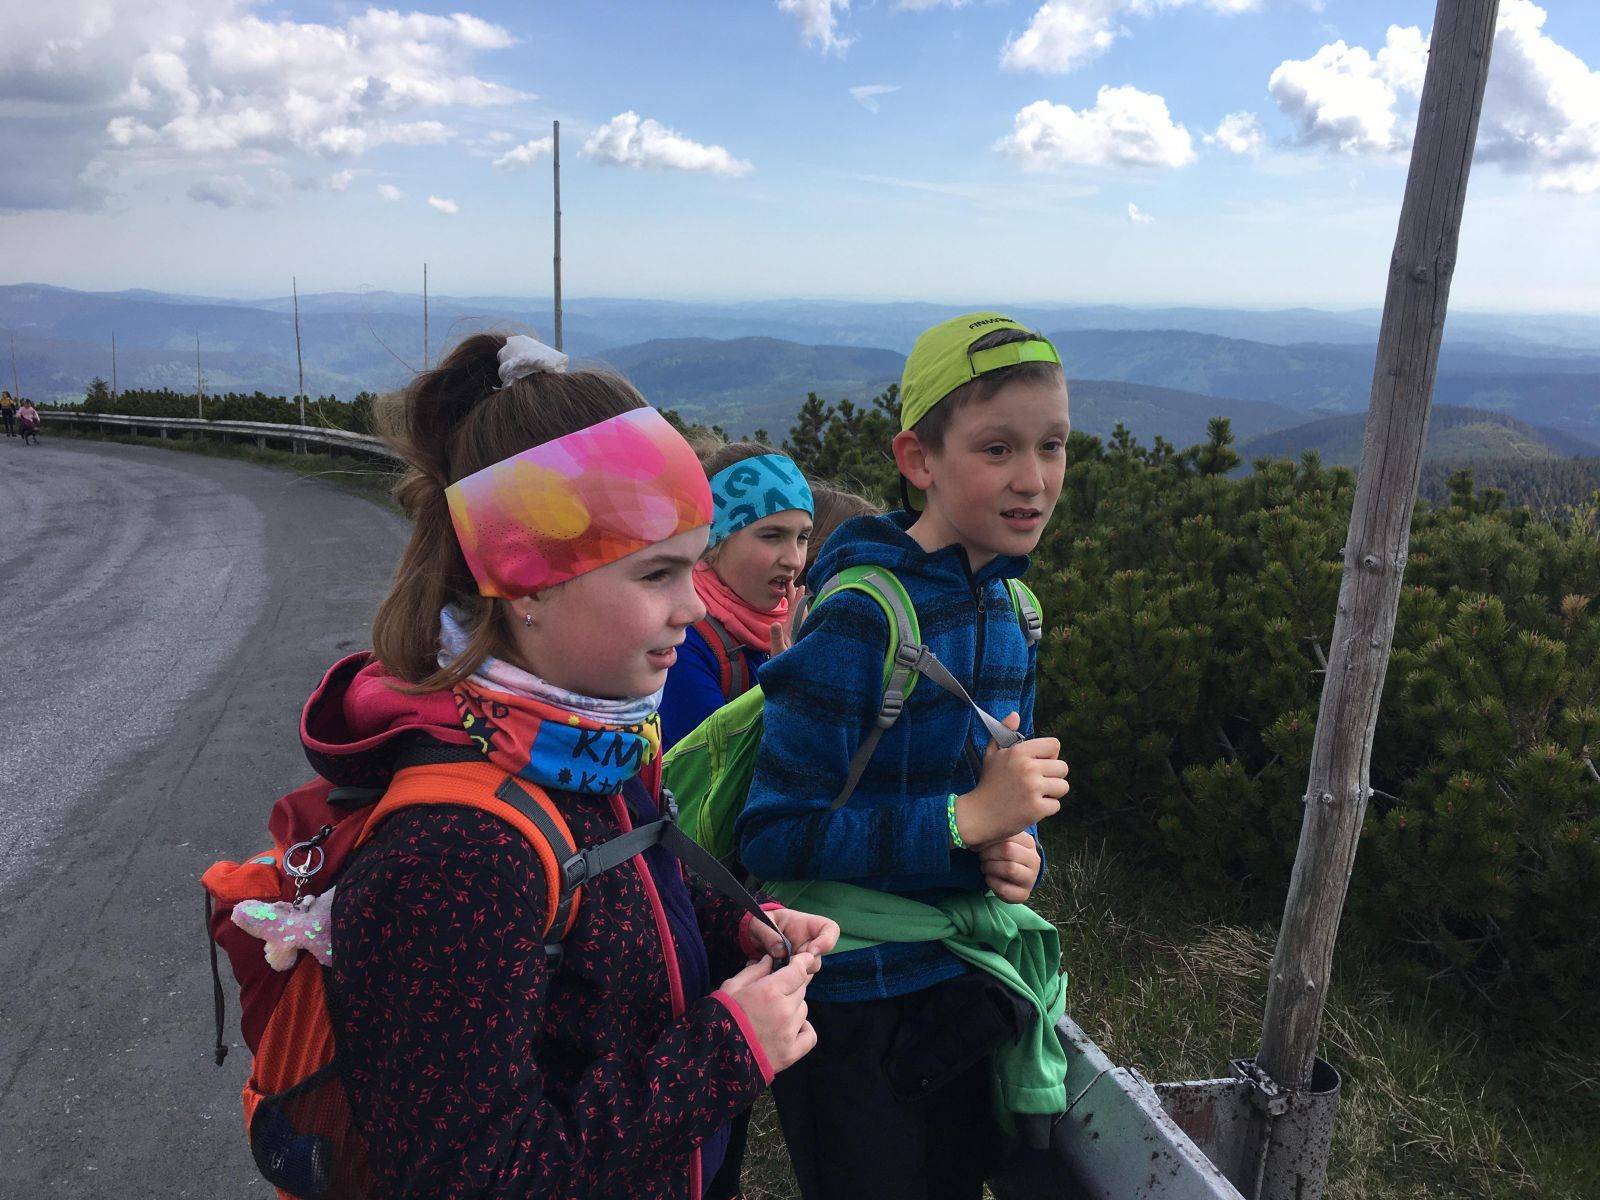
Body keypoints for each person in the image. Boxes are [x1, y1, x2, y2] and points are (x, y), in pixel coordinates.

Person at [317, 332, 836, 1199]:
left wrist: (736, 926)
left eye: (693, 565)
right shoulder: (455, 854)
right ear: (526, 580)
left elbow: (616, 923)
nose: (689, 608)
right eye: (657, 573)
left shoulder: (586, 743)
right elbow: (464, 1178)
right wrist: (725, 1050)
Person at [737, 314, 1074, 1200]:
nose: (1033, 478)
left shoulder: (1015, 612)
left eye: (1052, 446)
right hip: (850, 1001)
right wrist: (963, 822)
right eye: (997, 448)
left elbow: (997, 801)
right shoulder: (861, 617)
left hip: (958, 983)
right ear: (919, 459)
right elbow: (773, 836)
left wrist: (1016, 852)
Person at [658, 440, 814, 751]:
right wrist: (788, 685)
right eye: (772, 536)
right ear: (713, 541)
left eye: (802, 537)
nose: (794, 560)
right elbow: (716, 767)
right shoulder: (681, 641)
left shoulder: (789, 630)